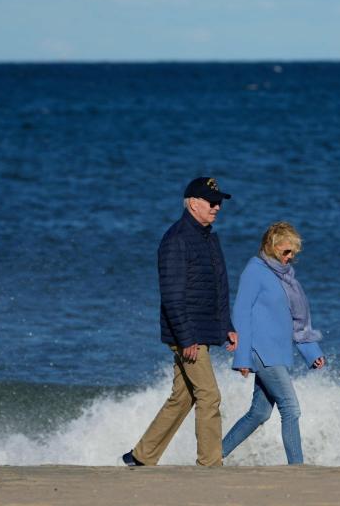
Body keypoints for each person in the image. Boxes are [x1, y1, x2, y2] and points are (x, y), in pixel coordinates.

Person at [122, 177, 238, 467]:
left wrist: (228, 327)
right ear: (193, 203)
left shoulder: (209, 238)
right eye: (212, 202)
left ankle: (141, 456)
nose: (217, 208)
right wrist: (186, 339)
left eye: (219, 203)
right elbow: (172, 296)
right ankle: (210, 465)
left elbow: (220, 288)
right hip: (187, 335)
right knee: (210, 396)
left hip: (202, 331)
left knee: (183, 398)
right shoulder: (176, 240)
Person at [223, 221, 325, 465]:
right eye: (285, 251)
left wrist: (311, 351)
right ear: (271, 246)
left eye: (293, 253)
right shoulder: (255, 271)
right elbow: (241, 314)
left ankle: (214, 455)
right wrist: (243, 358)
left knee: (259, 413)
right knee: (291, 408)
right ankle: (297, 467)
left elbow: (296, 319)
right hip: (261, 351)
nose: (289, 257)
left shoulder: (285, 276)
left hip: (277, 352)